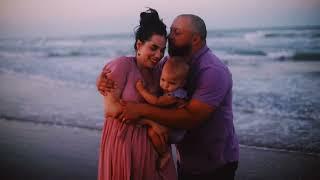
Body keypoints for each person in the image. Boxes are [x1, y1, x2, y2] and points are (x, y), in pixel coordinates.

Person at [98, 14, 239, 180]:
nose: (170, 37)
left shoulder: (212, 71)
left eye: (176, 33)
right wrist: (102, 79)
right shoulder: (168, 64)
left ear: (195, 39)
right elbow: (134, 69)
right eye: (171, 32)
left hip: (213, 164)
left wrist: (142, 110)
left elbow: (190, 117)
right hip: (184, 158)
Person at [97, 8, 177, 180]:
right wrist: (152, 123)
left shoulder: (160, 72)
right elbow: (111, 108)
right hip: (124, 142)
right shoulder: (123, 65)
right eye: (153, 48)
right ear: (139, 45)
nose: (158, 55)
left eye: (162, 50)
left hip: (155, 146)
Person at [135, 56, 189, 170]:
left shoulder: (176, 94)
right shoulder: (170, 89)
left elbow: (156, 101)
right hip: (170, 124)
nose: (165, 85)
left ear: (183, 83)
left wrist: (141, 90)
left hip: (175, 131)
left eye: (171, 83)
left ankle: (164, 154)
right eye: (163, 80)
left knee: (152, 132)